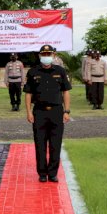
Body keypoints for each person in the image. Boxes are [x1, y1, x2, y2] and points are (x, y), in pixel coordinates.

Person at [23, 44, 71, 183]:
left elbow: (66, 92)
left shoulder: (60, 71)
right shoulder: (33, 72)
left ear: (53, 56)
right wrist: (28, 112)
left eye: (48, 54)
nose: (46, 57)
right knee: (40, 144)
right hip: (39, 112)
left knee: (55, 144)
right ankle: (42, 173)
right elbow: (28, 93)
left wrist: (67, 111)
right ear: (39, 56)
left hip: (56, 111)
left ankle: (53, 173)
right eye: (43, 55)